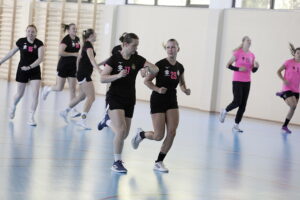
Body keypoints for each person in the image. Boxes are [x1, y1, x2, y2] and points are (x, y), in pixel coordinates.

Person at [100, 33, 159, 173]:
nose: (136, 48)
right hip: (115, 97)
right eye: (134, 45)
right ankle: (116, 162)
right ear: (125, 45)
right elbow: (102, 78)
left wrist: (146, 69)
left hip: (129, 99)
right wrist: (117, 75)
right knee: (120, 131)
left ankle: (107, 122)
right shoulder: (114, 59)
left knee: (124, 134)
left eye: (137, 45)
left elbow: (156, 69)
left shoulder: (137, 59)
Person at [131, 39, 191, 173]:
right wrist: (158, 89)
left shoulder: (180, 67)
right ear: (166, 49)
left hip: (172, 100)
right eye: (168, 47)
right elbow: (146, 81)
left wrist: (185, 89)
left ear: (178, 49)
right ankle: (141, 135)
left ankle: (159, 162)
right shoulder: (159, 65)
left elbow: (181, 83)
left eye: (173, 47)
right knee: (159, 136)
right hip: (158, 99)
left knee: (172, 132)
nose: (170, 49)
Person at [0, 24, 45, 126]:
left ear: (36, 33)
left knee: (35, 93)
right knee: (20, 94)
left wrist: (29, 67)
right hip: (22, 70)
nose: (30, 33)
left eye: (33, 31)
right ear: (26, 32)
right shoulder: (21, 41)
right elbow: (11, 52)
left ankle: (31, 117)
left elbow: (40, 58)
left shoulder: (39, 44)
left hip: (34, 70)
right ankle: (13, 106)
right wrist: (1, 61)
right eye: (28, 31)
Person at [60, 28, 101, 129]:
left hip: (82, 73)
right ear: (91, 36)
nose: (96, 35)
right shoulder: (88, 46)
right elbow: (92, 59)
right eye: (95, 33)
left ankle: (65, 111)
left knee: (81, 97)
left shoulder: (86, 45)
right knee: (91, 97)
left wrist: (78, 71)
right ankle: (82, 120)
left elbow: (79, 59)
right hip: (84, 74)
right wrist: (99, 70)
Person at [219, 36, 259, 132]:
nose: (249, 41)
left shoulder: (252, 55)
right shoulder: (237, 53)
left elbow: (252, 70)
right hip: (237, 81)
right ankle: (224, 111)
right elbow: (228, 65)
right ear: (243, 42)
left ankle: (236, 125)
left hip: (247, 82)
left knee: (243, 105)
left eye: (250, 40)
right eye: (247, 40)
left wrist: (257, 67)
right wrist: (238, 69)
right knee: (237, 101)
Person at [42, 23, 81, 117]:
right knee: (59, 88)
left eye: (76, 29)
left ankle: (73, 109)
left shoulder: (77, 39)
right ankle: (47, 89)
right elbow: (60, 52)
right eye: (73, 29)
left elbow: (78, 53)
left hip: (73, 67)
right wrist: (73, 54)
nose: (75, 30)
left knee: (72, 89)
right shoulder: (66, 39)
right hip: (63, 66)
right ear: (69, 30)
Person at [276, 43, 300, 134]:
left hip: (296, 89)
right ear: (294, 53)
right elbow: (278, 71)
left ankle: (285, 126)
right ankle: (283, 94)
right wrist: (283, 79)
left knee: (293, 107)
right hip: (287, 87)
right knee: (293, 105)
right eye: (298, 53)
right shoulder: (288, 62)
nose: (299, 54)